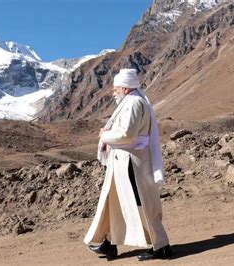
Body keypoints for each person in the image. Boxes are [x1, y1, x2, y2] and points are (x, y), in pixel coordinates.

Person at [83, 68, 173, 261]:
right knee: (116, 202)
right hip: (124, 163)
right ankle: (108, 242)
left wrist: (104, 135)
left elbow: (127, 134)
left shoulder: (133, 103)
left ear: (124, 88)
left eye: (116, 88)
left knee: (140, 203)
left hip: (131, 163)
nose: (113, 91)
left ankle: (161, 245)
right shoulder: (131, 102)